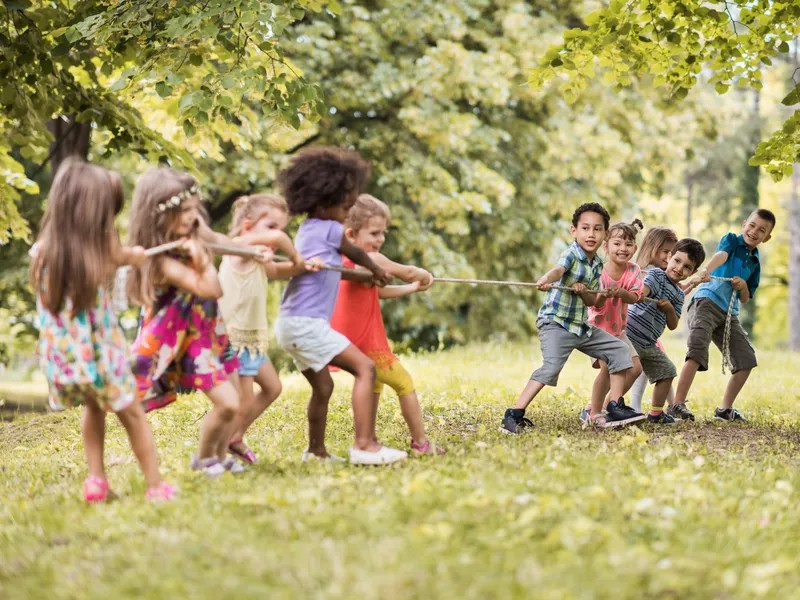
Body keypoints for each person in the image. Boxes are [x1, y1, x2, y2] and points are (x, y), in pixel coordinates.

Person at [32, 158, 174, 502]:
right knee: (133, 415)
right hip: (101, 355)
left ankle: (96, 480)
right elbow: (122, 255)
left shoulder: (42, 252)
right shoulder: (101, 250)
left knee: (93, 408)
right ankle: (155, 485)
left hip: (67, 361)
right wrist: (136, 256)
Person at [273, 147, 407, 465]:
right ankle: (365, 445)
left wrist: (365, 275)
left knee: (323, 387)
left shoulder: (308, 229)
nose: (348, 210)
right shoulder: (332, 229)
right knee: (366, 368)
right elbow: (357, 254)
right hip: (307, 324)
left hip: (288, 323)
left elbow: (339, 269)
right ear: (323, 201)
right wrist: (375, 270)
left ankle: (316, 451)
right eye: (345, 204)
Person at [127, 168, 243, 477]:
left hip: (209, 329)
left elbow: (215, 238)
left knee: (236, 397)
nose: (194, 217)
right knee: (228, 403)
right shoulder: (161, 262)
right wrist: (203, 261)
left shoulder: (191, 232)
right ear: (158, 217)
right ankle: (205, 460)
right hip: (183, 338)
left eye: (195, 208)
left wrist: (250, 251)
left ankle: (220, 457)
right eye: (185, 211)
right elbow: (211, 288)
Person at [500, 203, 634, 433]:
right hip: (556, 323)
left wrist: (590, 293)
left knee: (620, 350)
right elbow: (558, 270)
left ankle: (614, 406)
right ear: (574, 231)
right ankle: (513, 414)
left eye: (597, 229)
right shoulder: (571, 253)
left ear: (604, 235)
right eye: (585, 228)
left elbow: (591, 302)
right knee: (551, 368)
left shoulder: (597, 265)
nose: (590, 234)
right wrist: (546, 278)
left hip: (581, 327)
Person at [330, 194, 444, 455]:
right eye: (374, 233)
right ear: (351, 234)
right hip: (366, 341)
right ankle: (421, 443)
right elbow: (407, 271)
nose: (380, 239)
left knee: (373, 385)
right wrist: (424, 276)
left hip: (351, 340)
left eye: (383, 233)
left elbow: (377, 292)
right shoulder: (372, 259)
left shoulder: (345, 260)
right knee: (404, 383)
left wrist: (411, 289)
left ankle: (368, 437)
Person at [218, 193, 306, 464]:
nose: (277, 234)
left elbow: (276, 272)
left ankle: (235, 437)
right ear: (247, 225)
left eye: (280, 227)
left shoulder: (257, 256)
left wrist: (301, 268)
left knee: (272, 387)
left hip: (251, 339)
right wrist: (294, 255)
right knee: (242, 401)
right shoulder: (237, 247)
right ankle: (217, 453)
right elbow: (280, 241)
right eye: (271, 226)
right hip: (234, 337)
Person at [672, 209, 776, 422]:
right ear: (744, 223)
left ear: (767, 238)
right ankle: (677, 405)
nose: (754, 231)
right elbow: (722, 255)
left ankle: (724, 409)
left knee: (746, 360)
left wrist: (744, 285)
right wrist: (704, 272)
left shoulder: (755, 262)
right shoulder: (731, 240)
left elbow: (746, 298)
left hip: (729, 314)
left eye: (762, 230)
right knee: (697, 351)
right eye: (752, 225)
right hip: (706, 302)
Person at [626, 238, 705, 424]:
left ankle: (655, 413)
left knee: (667, 370)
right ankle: (608, 407)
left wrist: (669, 309)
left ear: (692, 272)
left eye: (686, 267)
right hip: (630, 335)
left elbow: (673, 324)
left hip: (648, 342)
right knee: (627, 371)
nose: (679, 268)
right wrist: (640, 295)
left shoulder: (678, 295)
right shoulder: (656, 275)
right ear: (669, 257)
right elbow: (643, 291)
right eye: (677, 261)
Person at [581, 219, 646, 427]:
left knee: (636, 367)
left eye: (628, 244)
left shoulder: (633, 270)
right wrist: (602, 295)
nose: (623, 249)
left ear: (634, 248)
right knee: (608, 369)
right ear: (606, 246)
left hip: (618, 329)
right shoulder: (598, 270)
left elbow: (635, 296)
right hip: (598, 329)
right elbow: (594, 304)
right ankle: (594, 412)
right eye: (617, 243)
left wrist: (621, 293)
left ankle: (610, 405)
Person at [628, 227, 679, 414]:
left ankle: (671, 405)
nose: (669, 257)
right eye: (666, 252)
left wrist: (694, 282)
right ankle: (621, 404)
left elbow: (673, 297)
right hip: (631, 329)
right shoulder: (644, 272)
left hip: (648, 333)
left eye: (671, 253)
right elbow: (642, 292)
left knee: (654, 366)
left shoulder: (664, 275)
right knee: (637, 366)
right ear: (652, 248)